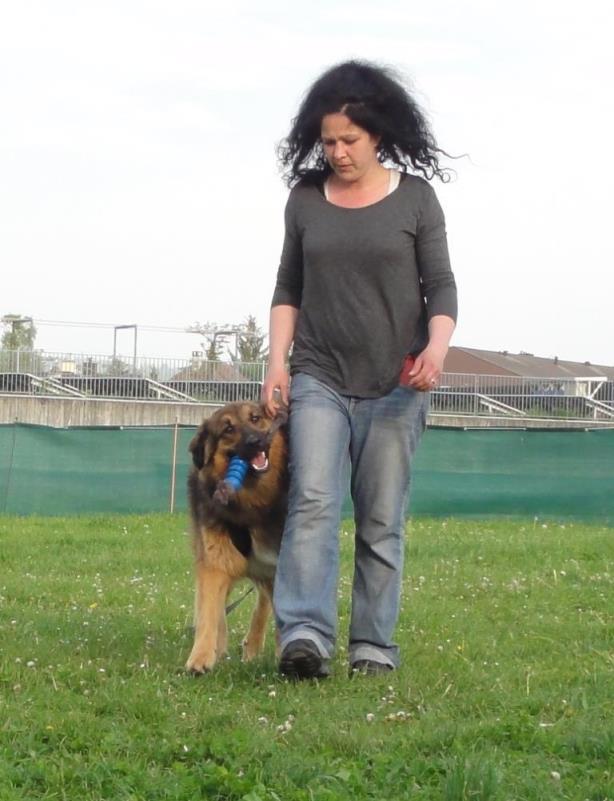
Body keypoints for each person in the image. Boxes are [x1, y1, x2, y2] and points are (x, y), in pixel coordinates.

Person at [262, 60, 458, 679]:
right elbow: (288, 286)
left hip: (397, 383)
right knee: (312, 502)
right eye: (328, 142)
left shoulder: (416, 199)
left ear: (378, 134)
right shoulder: (305, 200)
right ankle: (304, 637)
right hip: (319, 373)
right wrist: (277, 363)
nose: (338, 152)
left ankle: (373, 646)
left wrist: (435, 350)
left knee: (380, 519)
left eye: (349, 140)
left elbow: (441, 286)